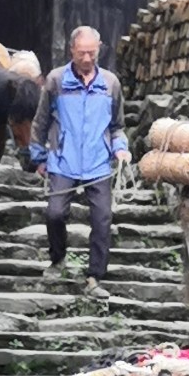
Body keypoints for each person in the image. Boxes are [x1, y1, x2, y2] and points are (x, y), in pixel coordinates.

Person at [29, 26, 131, 300]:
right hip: (64, 159)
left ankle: (94, 276)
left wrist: (120, 149)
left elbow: (118, 126)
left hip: (98, 163)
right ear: (72, 50)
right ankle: (58, 259)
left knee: (102, 219)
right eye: (82, 52)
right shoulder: (56, 81)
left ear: (99, 49)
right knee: (54, 213)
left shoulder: (110, 83)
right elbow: (40, 122)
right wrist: (39, 157)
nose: (87, 58)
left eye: (92, 52)